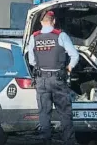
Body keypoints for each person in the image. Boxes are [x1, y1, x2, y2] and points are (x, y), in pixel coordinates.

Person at [28, 10, 79, 145]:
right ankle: (68, 142)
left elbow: (31, 61)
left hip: (41, 79)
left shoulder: (34, 37)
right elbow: (75, 55)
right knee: (65, 113)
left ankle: (46, 141)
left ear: (40, 22)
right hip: (58, 79)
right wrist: (69, 67)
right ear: (54, 21)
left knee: (44, 113)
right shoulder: (61, 35)